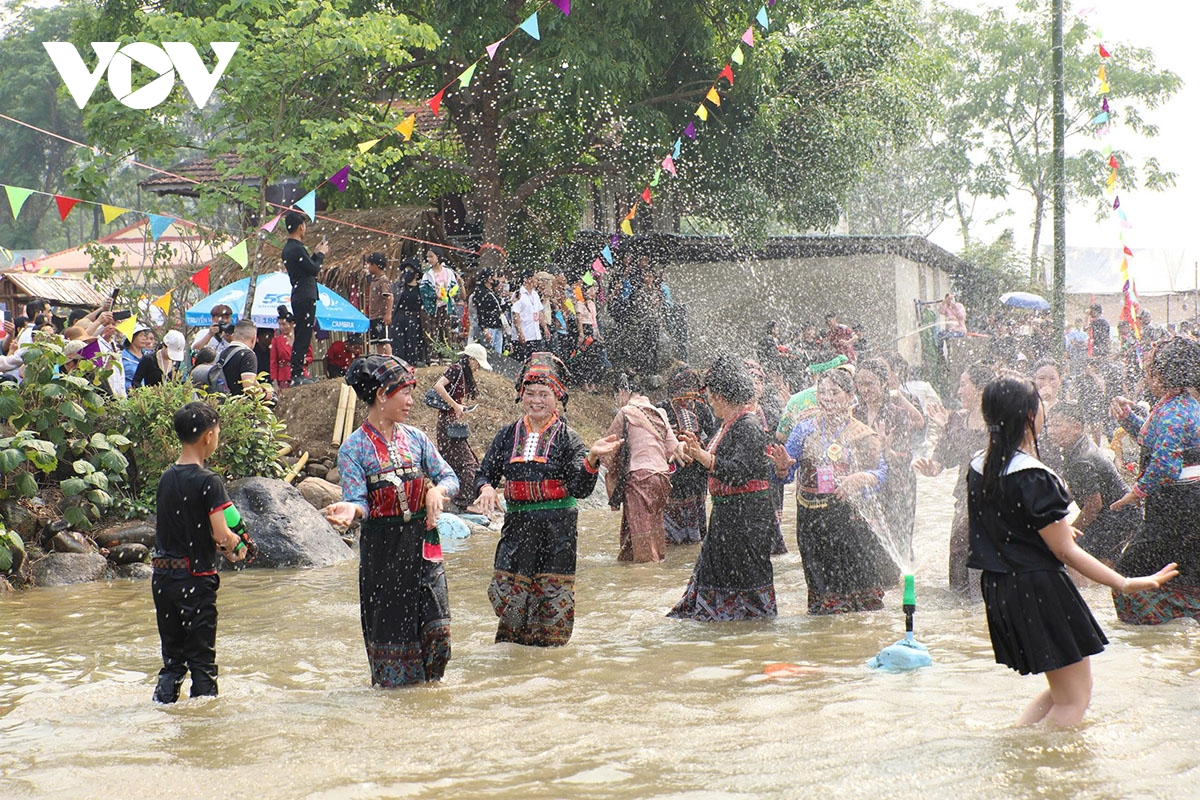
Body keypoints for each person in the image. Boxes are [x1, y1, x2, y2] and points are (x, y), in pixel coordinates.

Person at [967, 376, 1176, 726]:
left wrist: (1054, 532)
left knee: (1062, 691)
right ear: (1030, 414)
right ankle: (1043, 773)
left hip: (1001, 587)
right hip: (1038, 588)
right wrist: (1125, 582)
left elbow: (1002, 524)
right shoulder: (1033, 474)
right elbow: (1066, 552)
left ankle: (1019, 745)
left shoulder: (980, 465)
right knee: (1075, 698)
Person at [322, 356, 459, 686]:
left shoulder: (416, 438)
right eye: (406, 393)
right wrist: (351, 511)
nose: (411, 401)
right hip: (382, 554)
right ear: (382, 394)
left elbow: (449, 476)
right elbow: (358, 502)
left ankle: (432, 697)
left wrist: (437, 491)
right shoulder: (354, 449)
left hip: (422, 545)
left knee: (437, 634)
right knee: (393, 646)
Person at [473, 353, 622, 646]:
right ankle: (516, 653)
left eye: (544, 394)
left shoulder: (569, 439)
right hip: (517, 530)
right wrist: (486, 488)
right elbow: (485, 472)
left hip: (557, 534)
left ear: (557, 398)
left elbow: (580, 488)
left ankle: (546, 662)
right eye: (530, 394)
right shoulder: (507, 435)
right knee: (505, 593)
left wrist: (592, 459)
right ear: (521, 395)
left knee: (553, 603)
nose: (536, 400)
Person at [773, 367, 897, 614]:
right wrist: (780, 468)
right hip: (811, 519)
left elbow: (882, 474)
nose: (827, 398)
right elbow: (786, 474)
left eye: (834, 392)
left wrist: (860, 477)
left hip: (848, 520)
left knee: (857, 591)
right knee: (820, 589)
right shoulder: (804, 429)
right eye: (822, 392)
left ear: (850, 397)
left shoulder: (861, 434)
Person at [150, 402, 248, 703]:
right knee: (202, 665)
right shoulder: (209, 482)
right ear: (207, 436)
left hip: (163, 580)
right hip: (195, 579)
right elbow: (220, 533)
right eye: (217, 432)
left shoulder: (167, 477)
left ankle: (163, 709)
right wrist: (237, 546)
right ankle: (205, 731)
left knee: (173, 663)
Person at [668, 355, 778, 621]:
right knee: (716, 572)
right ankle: (717, 617)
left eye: (712, 396)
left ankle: (743, 620)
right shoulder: (726, 425)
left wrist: (703, 456)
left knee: (744, 575)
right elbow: (713, 466)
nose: (709, 401)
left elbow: (738, 473)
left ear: (722, 396)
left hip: (746, 517)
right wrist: (691, 453)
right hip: (727, 515)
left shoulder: (749, 426)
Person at [1109, 337, 1200, 624]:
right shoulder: (1178, 405)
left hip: (1176, 511)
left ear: (1162, 374)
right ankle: (1177, 638)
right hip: (1182, 510)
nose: (1146, 375)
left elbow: (1164, 463)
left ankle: (1149, 633)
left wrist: (1133, 494)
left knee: (1126, 573)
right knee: (1183, 574)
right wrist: (1127, 417)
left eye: (1149, 369)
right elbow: (1154, 440)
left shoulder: (1174, 411)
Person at [915, 362, 994, 598]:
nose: (959, 391)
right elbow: (944, 454)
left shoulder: (1000, 423)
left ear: (981, 389)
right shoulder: (958, 420)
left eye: (963, 385)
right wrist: (933, 466)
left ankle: (982, 609)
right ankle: (962, 618)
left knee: (986, 566)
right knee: (959, 558)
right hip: (964, 500)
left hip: (994, 503)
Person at [1044, 401, 1139, 565]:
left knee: (1072, 557)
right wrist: (1053, 507)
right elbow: (1076, 489)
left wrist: (1069, 532)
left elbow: (1093, 506)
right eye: (1049, 425)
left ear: (1076, 427)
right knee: (1105, 565)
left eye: (1057, 425)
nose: (1051, 431)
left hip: (1118, 517)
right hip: (1124, 514)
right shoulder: (1076, 448)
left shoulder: (1081, 459)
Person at [603, 373, 682, 563]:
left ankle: (645, 579)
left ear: (622, 391)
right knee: (651, 529)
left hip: (639, 478)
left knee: (642, 538)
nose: (617, 400)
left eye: (617, 396)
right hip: (662, 478)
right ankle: (632, 564)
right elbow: (673, 450)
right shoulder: (659, 412)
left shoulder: (626, 412)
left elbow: (608, 449)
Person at [853, 358, 920, 561]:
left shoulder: (898, 414)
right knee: (868, 543)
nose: (864, 389)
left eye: (870, 383)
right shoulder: (855, 413)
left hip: (897, 486)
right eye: (860, 383)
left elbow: (906, 456)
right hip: (866, 485)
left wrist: (887, 450)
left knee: (899, 542)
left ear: (883, 383)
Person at [659, 366, 718, 545]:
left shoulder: (702, 409)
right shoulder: (661, 410)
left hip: (696, 472)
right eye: (680, 397)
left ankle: (693, 545)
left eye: (689, 396)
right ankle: (673, 545)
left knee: (696, 511)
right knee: (671, 514)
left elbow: (714, 436)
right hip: (673, 471)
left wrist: (698, 445)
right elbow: (654, 437)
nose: (685, 401)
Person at [432, 342, 491, 512]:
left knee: (453, 460)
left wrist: (459, 407)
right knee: (468, 462)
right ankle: (465, 501)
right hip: (447, 422)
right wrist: (455, 405)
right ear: (471, 359)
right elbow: (438, 386)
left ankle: (454, 498)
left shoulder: (464, 374)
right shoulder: (456, 369)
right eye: (477, 363)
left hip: (450, 421)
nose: (478, 368)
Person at [282, 211, 328, 387]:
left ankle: (298, 371)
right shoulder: (295, 248)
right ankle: (297, 373)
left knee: (303, 333)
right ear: (301, 227)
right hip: (304, 294)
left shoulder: (291, 248)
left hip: (301, 293)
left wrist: (315, 254)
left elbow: (309, 267)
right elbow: (314, 269)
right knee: (303, 334)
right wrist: (321, 254)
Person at [214, 320, 274, 401]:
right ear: (254, 338)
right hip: (240, 408)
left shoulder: (222, 354)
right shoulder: (248, 355)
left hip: (223, 406)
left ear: (234, 336)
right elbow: (248, 387)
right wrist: (265, 394)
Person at [419, 247, 459, 353]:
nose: (429, 259)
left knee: (446, 331)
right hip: (432, 307)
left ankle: (447, 355)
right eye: (428, 256)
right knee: (432, 332)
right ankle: (433, 356)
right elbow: (423, 290)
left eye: (431, 256)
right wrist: (435, 295)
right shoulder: (427, 274)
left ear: (438, 257)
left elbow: (455, 287)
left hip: (446, 305)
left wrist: (450, 293)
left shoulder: (448, 272)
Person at [392, 260, 427, 366]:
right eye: (405, 270)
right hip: (399, 317)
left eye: (410, 270)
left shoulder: (421, 289)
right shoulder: (398, 287)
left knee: (412, 345)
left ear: (417, 274)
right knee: (398, 346)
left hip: (414, 319)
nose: (407, 273)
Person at [269, 306, 311, 391]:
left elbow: (310, 355)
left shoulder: (301, 338)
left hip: (301, 374)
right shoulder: (276, 340)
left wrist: (305, 360)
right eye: (279, 324)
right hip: (284, 378)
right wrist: (275, 383)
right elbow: (273, 362)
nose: (281, 327)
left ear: (292, 323)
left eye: (284, 324)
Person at [509, 271, 543, 362]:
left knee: (534, 363)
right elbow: (515, 314)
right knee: (522, 363)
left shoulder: (535, 294)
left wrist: (545, 328)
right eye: (536, 278)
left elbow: (539, 312)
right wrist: (520, 332)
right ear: (528, 279)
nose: (537, 281)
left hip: (535, 335)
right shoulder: (518, 294)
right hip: (524, 335)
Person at [472, 269, 507, 356]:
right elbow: (481, 312)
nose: (496, 279)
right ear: (489, 279)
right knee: (488, 352)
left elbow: (499, 308)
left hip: (497, 325)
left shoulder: (492, 292)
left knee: (497, 352)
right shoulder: (482, 292)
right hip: (489, 326)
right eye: (494, 277)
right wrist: (485, 329)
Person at [364, 252, 393, 356]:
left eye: (369, 265)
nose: (367, 267)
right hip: (373, 316)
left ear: (374, 266)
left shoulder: (383, 280)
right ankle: (381, 361)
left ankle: (389, 359)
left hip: (381, 316)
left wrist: (388, 313)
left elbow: (389, 297)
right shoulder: (374, 280)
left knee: (384, 340)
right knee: (377, 342)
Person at [121, 323, 154, 392]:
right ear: (131, 338)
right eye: (140, 335)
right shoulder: (122, 357)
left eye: (144, 335)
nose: (144, 338)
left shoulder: (149, 356)